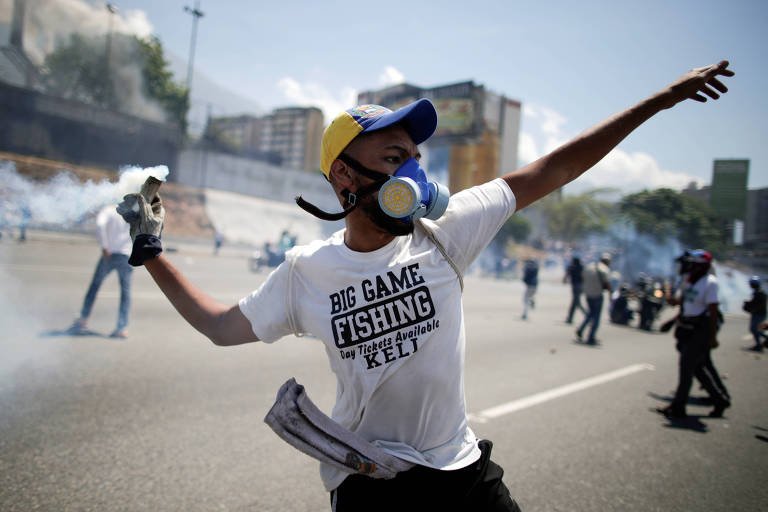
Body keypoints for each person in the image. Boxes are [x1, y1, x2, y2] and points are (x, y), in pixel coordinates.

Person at [117, 62, 733, 510]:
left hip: (463, 473)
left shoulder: (446, 231)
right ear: (343, 176)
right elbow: (220, 326)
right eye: (394, 158)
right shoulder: (307, 271)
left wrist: (658, 102)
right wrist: (151, 251)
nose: (412, 173)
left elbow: (557, 166)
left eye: (415, 158)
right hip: (372, 485)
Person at [657, 249, 731, 419]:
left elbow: (713, 312)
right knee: (696, 368)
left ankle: (678, 406)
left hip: (700, 330)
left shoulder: (710, 283)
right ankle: (720, 399)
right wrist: (668, 293)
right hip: (687, 328)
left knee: (686, 368)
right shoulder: (689, 280)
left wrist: (712, 337)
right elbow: (679, 303)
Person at [69, 204, 133, 338]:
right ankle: (122, 327)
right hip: (126, 255)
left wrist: (104, 246)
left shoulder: (110, 210)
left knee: (95, 286)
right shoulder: (133, 212)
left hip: (109, 254)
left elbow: (99, 225)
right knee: (125, 292)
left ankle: (82, 320)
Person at [576, 253, 612, 345]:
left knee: (590, 313)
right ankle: (591, 337)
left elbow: (582, 277)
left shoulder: (590, 266)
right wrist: (610, 295)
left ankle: (581, 329)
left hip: (588, 294)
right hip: (597, 295)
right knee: (596, 317)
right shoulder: (604, 269)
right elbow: (607, 284)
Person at [743, 276, 768, 351]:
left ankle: (759, 344)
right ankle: (759, 345)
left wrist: (751, 308)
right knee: (755, 329)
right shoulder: (757, 292)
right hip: (757, 314)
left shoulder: (760, 293)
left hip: (759, 314)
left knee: (755, 329)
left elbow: (760, 304)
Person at [563, 255, 585, 323]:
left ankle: (589, 316)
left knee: (577, 303)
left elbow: (566, 275)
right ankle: (570, 318)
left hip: (575, 286)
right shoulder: (582, 267)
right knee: (575, 303)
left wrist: (564, 280)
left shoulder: (571, 267)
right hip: (580, 286)